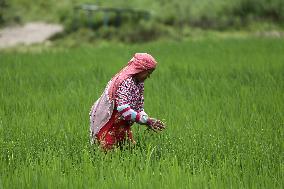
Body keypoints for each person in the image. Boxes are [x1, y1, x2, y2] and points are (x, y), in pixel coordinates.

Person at [89, 53, 165, 150]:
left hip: (123, 123)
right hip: (111, 122)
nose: (148, 77)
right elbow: (124, 110)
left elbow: (138, 107)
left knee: (128, 149)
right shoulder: (126, 81)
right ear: (140, 69)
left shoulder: (138, 83)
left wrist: (146, 119)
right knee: (107, 153)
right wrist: (147, 121)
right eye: (148, 73)